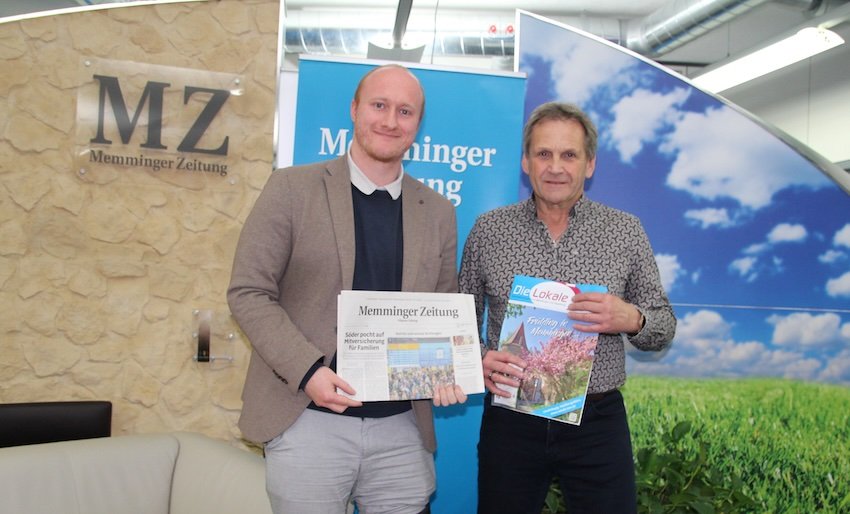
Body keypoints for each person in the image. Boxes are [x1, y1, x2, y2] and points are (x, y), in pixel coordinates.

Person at [227, 64, 466, 514]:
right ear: (354, 110)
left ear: (418, 124)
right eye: (379, 105)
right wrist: (308, 372)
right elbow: (248, 291)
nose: (390, 121)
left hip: (401, 429)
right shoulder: (291, 188)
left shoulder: (437, 211)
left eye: (405, 111)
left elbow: (443, 308)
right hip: (307, 417)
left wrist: (447, 368)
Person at [458, 101, 676, 513]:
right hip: (511, 419)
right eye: (544, 153)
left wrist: (630, 318)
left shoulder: (625, 231)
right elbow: (460, 319)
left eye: (569, 155)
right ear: (526, 162)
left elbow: (663, 325)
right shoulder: (490, 230)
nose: (555, 167)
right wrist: (478, 358)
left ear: (589, 164)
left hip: (597, 421)